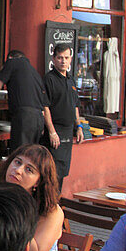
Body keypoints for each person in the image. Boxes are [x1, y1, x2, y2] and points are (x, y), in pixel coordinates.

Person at [42, 42, 84, 187]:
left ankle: (57, 204)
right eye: (60, 58)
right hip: (55, 131)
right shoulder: (49, 79)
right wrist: (52, 132)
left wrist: (79, 127)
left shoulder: (71, 80)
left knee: (62, 172)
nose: (63, 61)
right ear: (53, 59)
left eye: (66, 58)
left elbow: (75, 106)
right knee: (51, 174)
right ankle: (49, 205)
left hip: (68, 131)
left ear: (71, 59)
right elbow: (45, 107)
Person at [0, 49, 47, 149]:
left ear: (10, 58)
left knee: (20, 153)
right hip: (39, 119)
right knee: (31, 155)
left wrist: (2, 73)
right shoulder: (35, 73)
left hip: (24, 118)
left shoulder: (12, 63)